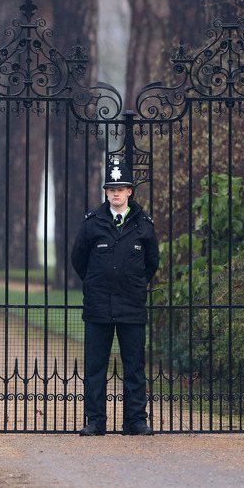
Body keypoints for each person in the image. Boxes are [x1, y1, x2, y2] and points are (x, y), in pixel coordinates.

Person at [70, 159, 159, 436]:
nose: (116, 193)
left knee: (134, 367)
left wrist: (132, 285)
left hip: (131, 306)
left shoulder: (144, 225)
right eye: (111, 189)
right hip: (98, 307)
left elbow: (151, 264)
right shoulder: (92, 223)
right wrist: (98, 284)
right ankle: (95, 421)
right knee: (95, 368)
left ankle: (135, 421)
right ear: (106, 192)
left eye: (121, 188)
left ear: (130, 191)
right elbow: (78, 260)